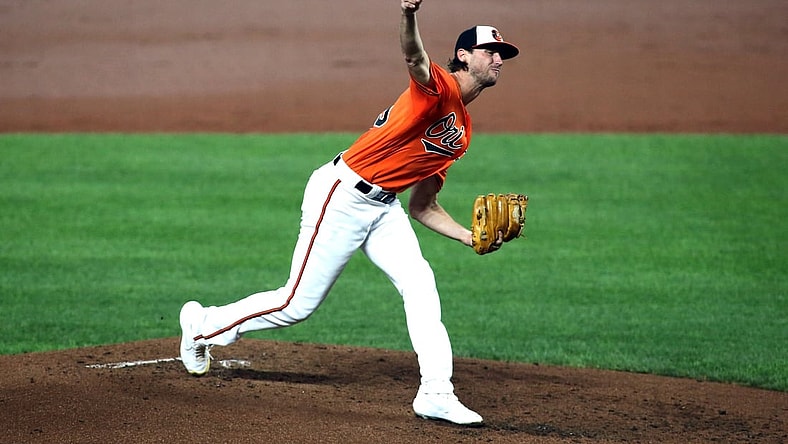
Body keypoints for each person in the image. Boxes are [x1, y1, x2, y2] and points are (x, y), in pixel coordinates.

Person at [179, 0, 519, 426]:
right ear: (464, 56)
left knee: (420, 283)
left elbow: (422, 206)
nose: (497, 59)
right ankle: (203, 325)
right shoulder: (439, 88)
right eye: (490, 51)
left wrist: (469, 236)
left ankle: (436, 392)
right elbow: (414, 56)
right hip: (341, 195)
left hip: (386, 207)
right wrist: (408, 14)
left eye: (502, 54)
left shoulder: (462, 133)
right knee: (295, 304)